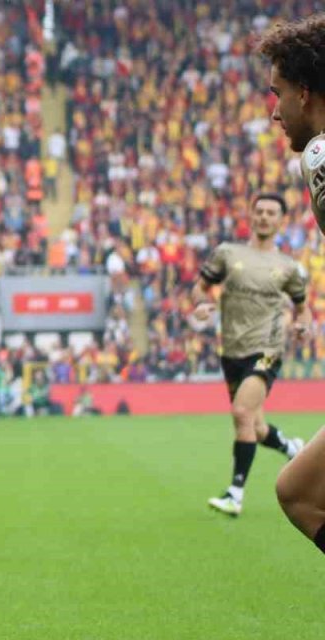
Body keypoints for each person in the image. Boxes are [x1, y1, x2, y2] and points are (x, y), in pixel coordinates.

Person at [191, 194, 308, 518]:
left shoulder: (288, 267)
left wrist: (302, 326)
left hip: (268, 349)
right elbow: (199, 288)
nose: (264, 217)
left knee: (242, 412)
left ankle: (235, 494)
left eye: (272, 213)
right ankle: (290, 447)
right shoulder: (228, 254)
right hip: (232, 351)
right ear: (251, 216)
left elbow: (303, 309)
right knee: (253, 426)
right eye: (260, 211)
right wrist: (200, 303)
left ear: (281, 220)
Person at [259, 14, 325, 554]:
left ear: (305, 93)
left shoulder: (322, 157)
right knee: (297, 490)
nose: (274, 110)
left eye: (278, 93)